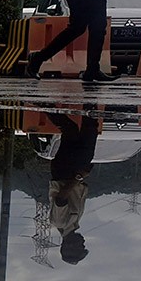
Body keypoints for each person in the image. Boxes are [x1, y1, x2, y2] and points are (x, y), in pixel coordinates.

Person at [47, 109, 99, 265]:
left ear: (68, 246)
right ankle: (90, 97)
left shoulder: (60, 223)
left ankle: (44, 105)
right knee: (80, 131)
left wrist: (79, 177)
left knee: (75, 131)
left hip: (65, 172)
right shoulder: (73, 224)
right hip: (73, 172)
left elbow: (61, 198)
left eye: (80, 246)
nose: (83, 242)